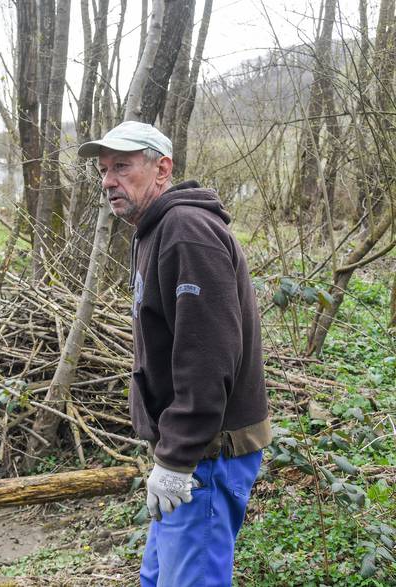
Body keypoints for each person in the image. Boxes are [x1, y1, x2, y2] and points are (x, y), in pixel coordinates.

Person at [78, 121, 272, 587]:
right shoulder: (153, 230)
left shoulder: (187, 233)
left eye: (122, 166)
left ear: (161, 167)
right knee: (157, 577)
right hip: (189, 448)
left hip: (209, 452)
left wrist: (177, 459)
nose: (108, 181)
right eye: (104, 170)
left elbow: (208, 359)